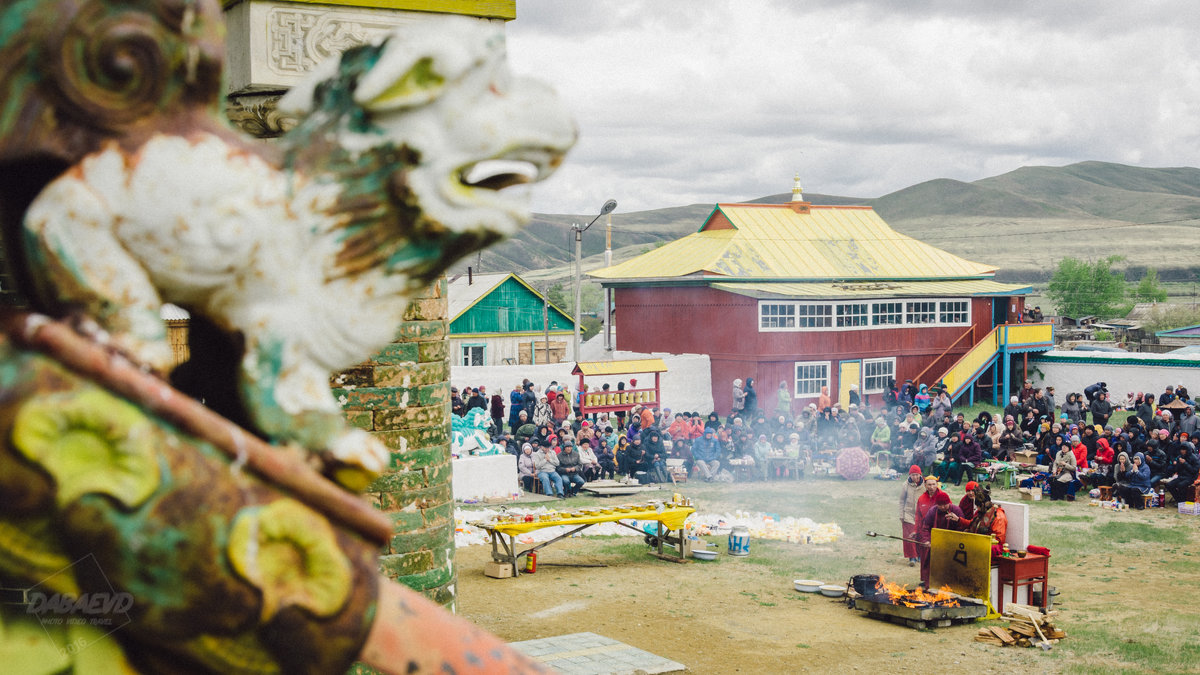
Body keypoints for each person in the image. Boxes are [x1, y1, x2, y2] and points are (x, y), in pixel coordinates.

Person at [918, 491, 965, 587]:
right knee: (932, 563)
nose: (943, 507)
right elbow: (925, 528)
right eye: (941, 505)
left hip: (952, 543)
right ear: (937, 504)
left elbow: (962, 528)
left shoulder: (956, 510)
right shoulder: (932, 511)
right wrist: (926, 541)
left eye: (945, 505)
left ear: (949, 503)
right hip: (935, 543)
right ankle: (931, 583)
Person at [967, 486, 1008, 555]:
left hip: (994, 546)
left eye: (978, 507)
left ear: (983, 505)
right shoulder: (981, 512)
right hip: (981, 541)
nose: (977, 509)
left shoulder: (998, 516)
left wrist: (981, 542)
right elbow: (972, 523)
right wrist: (959, 520)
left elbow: (999, 539)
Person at [898, 466, 925, 567]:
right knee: (909, 536)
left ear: (920, 474)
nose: (915, 477)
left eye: (916, 475)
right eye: (913, 475)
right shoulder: (905, 485)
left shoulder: (924, 485)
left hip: (921, 514)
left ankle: (920, 555)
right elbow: (901, 500)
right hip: (908, 513)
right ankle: (912, 557)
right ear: (910, 475)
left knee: (920, 535)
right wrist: (901, 514)